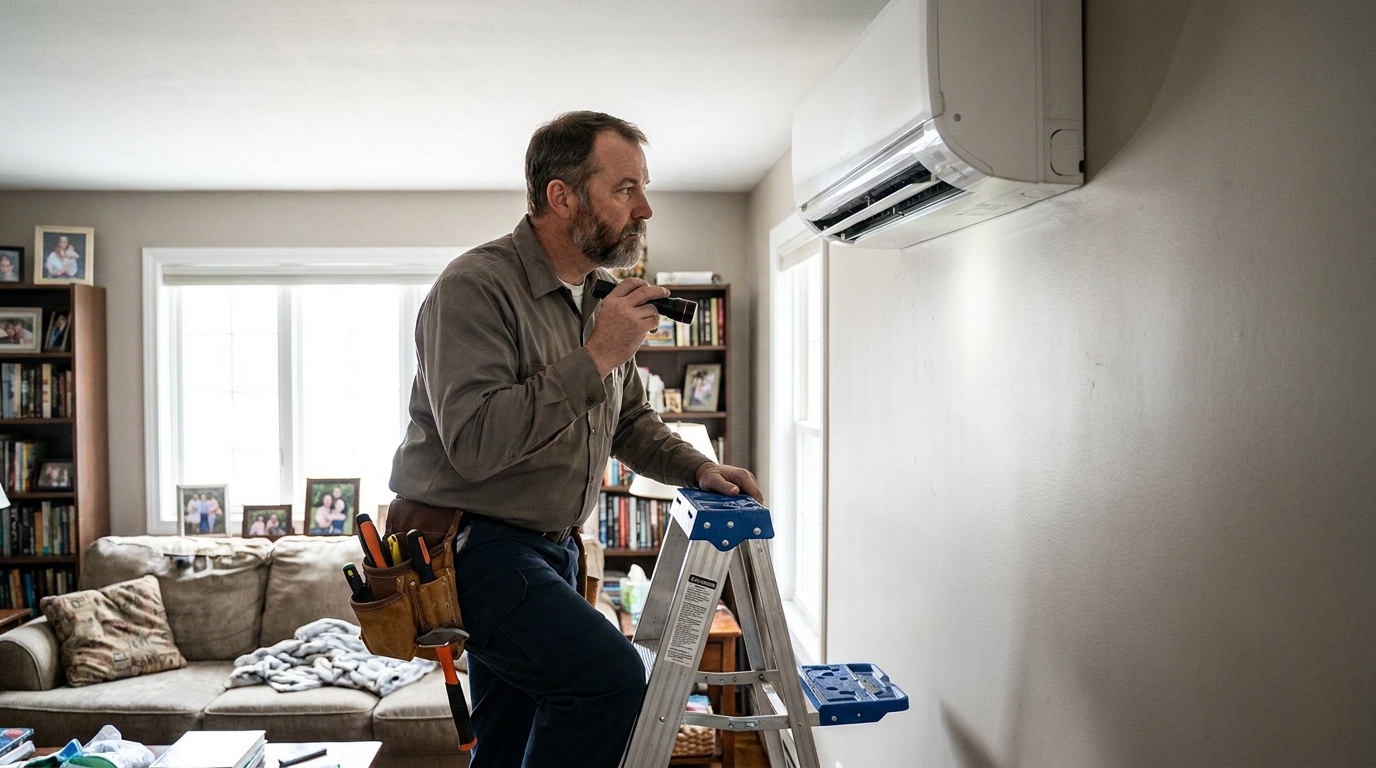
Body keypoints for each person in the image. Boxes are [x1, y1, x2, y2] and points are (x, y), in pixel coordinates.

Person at [388, 111, 762, 768]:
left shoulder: (598, 298)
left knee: (505, 741)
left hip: (552, 548)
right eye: (625, 189)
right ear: (561, 196)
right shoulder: (473, 288)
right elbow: (475, 443)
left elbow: (629, 421)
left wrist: (698, 469)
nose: (644, 209)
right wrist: (596, 355)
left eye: (642, 189)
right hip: (472, 549)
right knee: (609, 680)